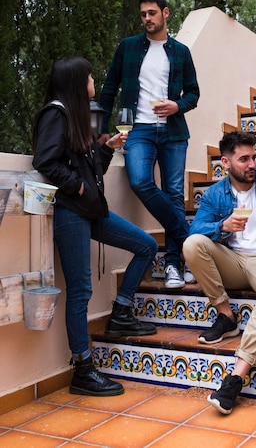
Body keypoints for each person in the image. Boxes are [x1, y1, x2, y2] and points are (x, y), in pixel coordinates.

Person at [33, 57, 159, 397]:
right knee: (81, 291)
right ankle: (83, 369)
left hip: (92, 211)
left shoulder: (76, 119)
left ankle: (120, 312)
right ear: (77, 81)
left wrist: (105, 148)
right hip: (72, 213)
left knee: (146, 245)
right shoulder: (55, 114)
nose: (94, 80)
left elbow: (94, 170)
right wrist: (77, 187)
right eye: (90, 76)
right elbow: (44, 160)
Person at [183, 130, 256, 415]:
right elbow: (195, 230)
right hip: (233, 260)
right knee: (192, 244)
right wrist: (222, 227)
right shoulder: (214, 194)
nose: (251, 164)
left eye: (254, 157)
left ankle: (236, 376)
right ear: (225, 162)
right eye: (244, 159)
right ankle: (226, 316)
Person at [99, 0, 199, 289]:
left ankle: (172, 264)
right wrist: (103, 130)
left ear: (165, 13)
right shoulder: (128, 47)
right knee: (140, 181)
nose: (147, 19)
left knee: (174, 195)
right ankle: (190, 245)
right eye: (143, 14)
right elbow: (108, 88)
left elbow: (194, 93)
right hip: (138, 129)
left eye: (152, 13)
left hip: (173, 131)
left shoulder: (180, 51)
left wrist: (176, 105)